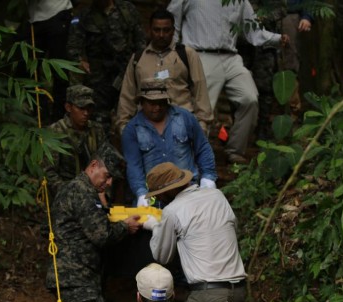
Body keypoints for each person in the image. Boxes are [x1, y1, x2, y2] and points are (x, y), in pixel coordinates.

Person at [44, 143, 142, 302]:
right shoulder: (80, 191)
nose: (108, 183)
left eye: (112, 179)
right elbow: (100, 235)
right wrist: (124, 227)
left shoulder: (88, 193)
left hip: (84, 278)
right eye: (107, 175)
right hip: (74, 278)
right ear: (93, 165)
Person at [167, 0, 289, 164]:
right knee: (203, 109)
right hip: (200, 54)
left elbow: (253, 31)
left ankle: (235, 150)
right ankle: (193, 159)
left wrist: (277, 39)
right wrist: (173, 53)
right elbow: (170, 23)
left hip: (231, 57)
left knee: (250, 98)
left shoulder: (239, 1)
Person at [142, 162, 247, 302]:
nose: (157, 198)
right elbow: (233, 228)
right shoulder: (217, 195)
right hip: (239, 291)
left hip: (209, 297)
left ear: (167, 191)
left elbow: (161, 256)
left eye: (158, 194)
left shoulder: (172, 211)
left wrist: (155, 226)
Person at [121, 79, 217, 207]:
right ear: (141, 103)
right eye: (151, 103)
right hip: (156, 196)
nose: (157, 107)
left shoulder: (184, 117)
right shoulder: (132, 129)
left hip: (188, 190)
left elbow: (203, 147)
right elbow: (134, 166)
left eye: (161, 102)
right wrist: (141, 193)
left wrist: (208, 176)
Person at [116, 9, 212, 135]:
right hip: (147, 128)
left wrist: (202, 126)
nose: (161, 35)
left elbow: (201, 92)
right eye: (157, 30)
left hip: (182, 125)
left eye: (166, 30)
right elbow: (127, 96)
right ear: (149, 30)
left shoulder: (187, 55)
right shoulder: (137, 59)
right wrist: (124, 128)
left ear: (173, 31)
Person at [67, 0, 146, 134]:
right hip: (98, 79)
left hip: (125, 74)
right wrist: (80, 61)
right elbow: (73, 46)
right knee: (99, 121)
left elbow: (140, 40)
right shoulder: (84, 16)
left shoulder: (127, 10)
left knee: (128, 117)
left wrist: (138, 64)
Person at [44, 84, 108, 201]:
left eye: (89, 108)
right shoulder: (55, 132)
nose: (86, 113)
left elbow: (106, 164)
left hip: (94, 193)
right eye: (81, 108)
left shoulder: (96, 131)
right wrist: (69, 193)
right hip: (65, 195)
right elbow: (49, 172)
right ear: (68, 107)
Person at [23, 0, 73, 123]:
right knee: (30, 70)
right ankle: (40, 117)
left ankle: (60, 118)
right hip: (35, 18)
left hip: (57, 12)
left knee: (59, 69)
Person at [279, 0, 313, 114]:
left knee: (290, 62)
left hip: (290, 14)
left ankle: (291, 109)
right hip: (265, 15)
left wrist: (307, 16)